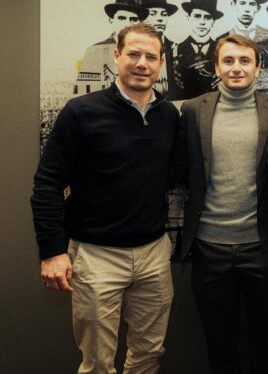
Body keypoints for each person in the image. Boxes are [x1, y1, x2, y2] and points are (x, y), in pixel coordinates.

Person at [32, 22, 181, 373]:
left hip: (154, 254)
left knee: (149, 354)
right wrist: (52, 251)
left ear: (160, 63)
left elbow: (176, 176)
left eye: (150, 57)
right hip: (96, 256)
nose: (142, 63)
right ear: (117, 56)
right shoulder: (81, 112)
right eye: (133, 54)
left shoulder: (169, 115)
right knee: (97, 362)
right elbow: (47, 184)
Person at [178, 35, 268, 373]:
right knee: (220, 349)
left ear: (258, 68)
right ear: (216, 68)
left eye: (244, 61)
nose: (236, 68)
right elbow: (183, 170)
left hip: (263, 248)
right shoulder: (193, 110)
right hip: (209, 248)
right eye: (228, 61)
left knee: (266, 348)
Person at [75, 0, 149, 95]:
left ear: (140, 24)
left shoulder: (148, 53)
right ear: (111, 21)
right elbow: (82, 94)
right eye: (122, 18)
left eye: (133, 19)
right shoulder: (95, 51)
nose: (127, 24)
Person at [173, 0, 223, 100]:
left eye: (207, 17)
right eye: (197, 16)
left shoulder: (222, 49)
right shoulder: (176, 50)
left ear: (213, 21)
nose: (202, 22)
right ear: (188, 18)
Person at [140, 0, 179, 97]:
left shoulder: (176, 48)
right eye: (153, 14)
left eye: (164, 14)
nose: (160, 19)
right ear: (141, 18)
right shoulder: (133, 49)